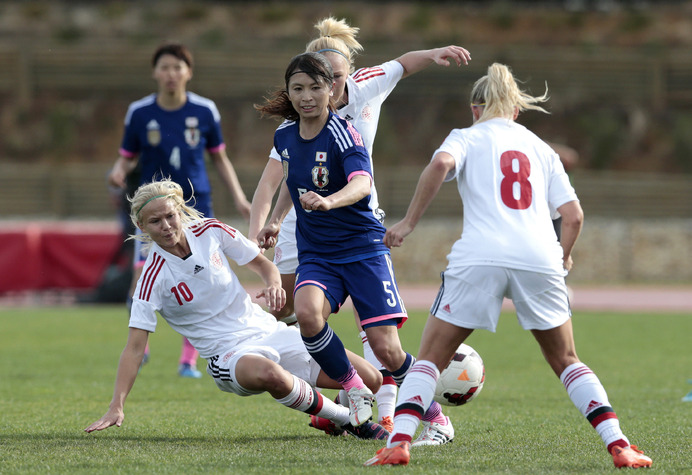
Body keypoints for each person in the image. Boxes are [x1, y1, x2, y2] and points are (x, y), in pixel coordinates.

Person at [364, 63, 652, 468]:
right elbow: (574, 216)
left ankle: (399, 442)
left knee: (430, 357)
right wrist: (563, 255)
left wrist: (409, 222)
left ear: (475, 108)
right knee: (567, 359)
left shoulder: (466, 136)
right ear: (516, 110)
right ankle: (619, 444)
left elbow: (441, 165)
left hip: (480, 255)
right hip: (539, 257)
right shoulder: (543, 148)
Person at [248, 16, 471, 433]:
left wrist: (330, 201)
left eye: (327, 82)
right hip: (315, 243)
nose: (318, 91)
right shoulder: (286, 134)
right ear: (292, 90)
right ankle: (355, 390)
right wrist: (274, 221)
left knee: (386, 348)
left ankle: (429, 416)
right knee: (302, 312)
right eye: (302, 87)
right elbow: (283, 181)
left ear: (339, 80)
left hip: (360, 238)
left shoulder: (346, 127)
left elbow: (363, 182)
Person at [84, 178, 388, 441]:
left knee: (371, 379)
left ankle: (328, 417)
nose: (166, 226)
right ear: (141, 226)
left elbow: (264, 265)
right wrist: (116, 405)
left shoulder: (210, 231)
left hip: (268, 331)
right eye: (155, 222)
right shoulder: (151, 278)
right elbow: (135, 348)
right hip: (226, 355)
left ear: (179, 211)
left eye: (170, 216)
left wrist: (274, 285)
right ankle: (348, 420)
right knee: (272, 375)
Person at [107, 42, 252, 378]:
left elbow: (219, 158)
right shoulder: (140, 113)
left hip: (195, 207)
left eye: (178, 67)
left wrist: (241, 198)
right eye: (165, 67)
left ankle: (188, 361)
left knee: (201, 280)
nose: (171, 74)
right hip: (152, 212)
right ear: (155, 72)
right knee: (140, 277)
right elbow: (128, 155)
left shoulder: (204, 111)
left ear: (188, 72)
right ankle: (142, 345)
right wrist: (119, 170)